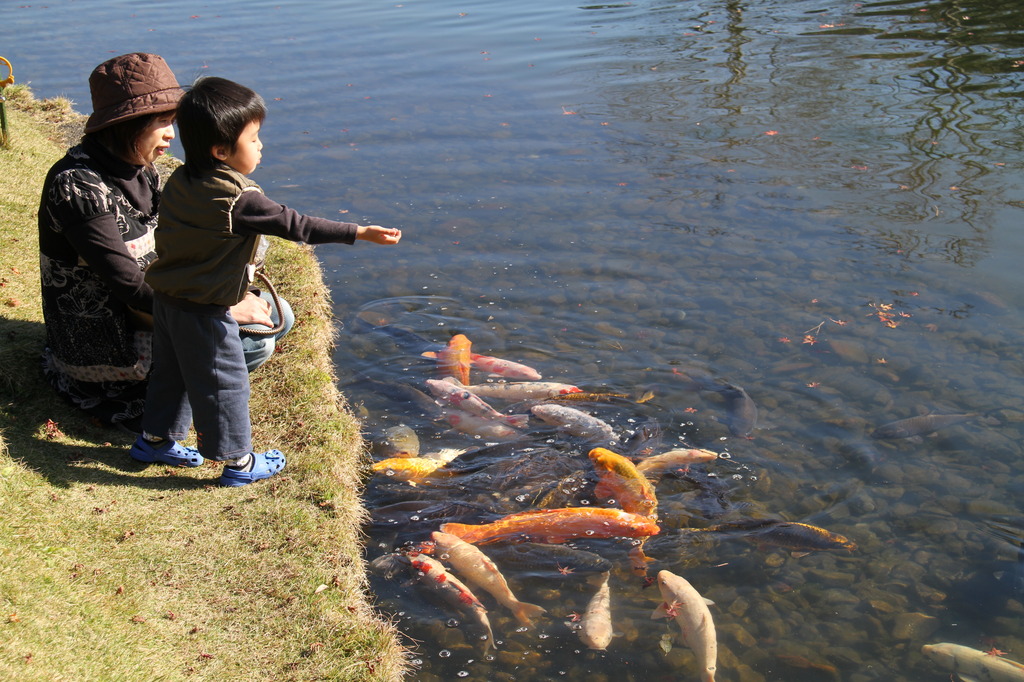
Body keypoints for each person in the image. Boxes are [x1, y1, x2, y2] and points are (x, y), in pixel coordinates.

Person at [132, 76, 401, 486]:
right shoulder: (238, 199)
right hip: (204, 310)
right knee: (225, 384)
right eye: (254, 139)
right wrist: (358, 232)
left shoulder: (182, 179)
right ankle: (238, 463)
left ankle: (155, 440)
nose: (261, 147)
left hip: (168, 298)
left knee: (171, 374)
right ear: (221, 151)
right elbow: (298, 226)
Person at [37, 53, 293, 434]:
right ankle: (182, 403)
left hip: (160, 303)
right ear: (128, 125)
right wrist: (218, 307)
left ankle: (198, 383)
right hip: (113, 335)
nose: (172, 134)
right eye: (162, 123)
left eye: (172, 121)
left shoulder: (143, 169)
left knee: (279, 314)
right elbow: (127, 286)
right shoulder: (77, 188)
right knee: (256, 343)